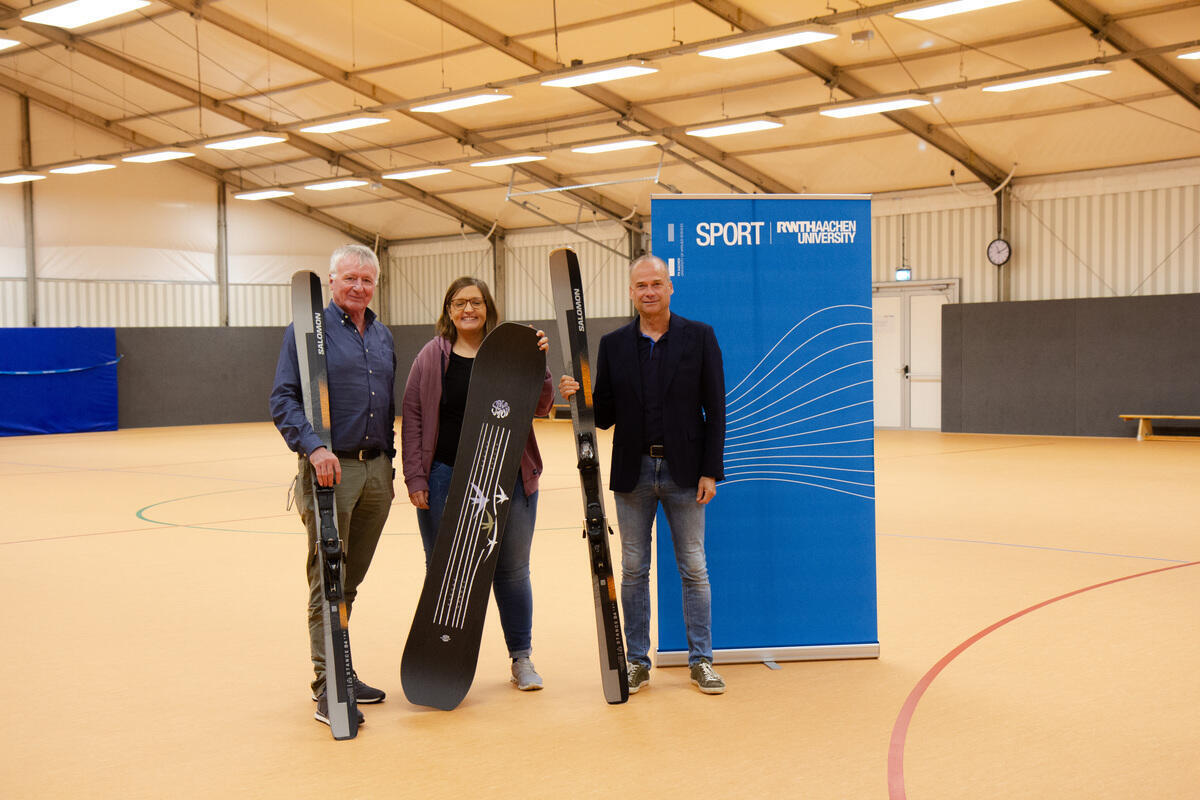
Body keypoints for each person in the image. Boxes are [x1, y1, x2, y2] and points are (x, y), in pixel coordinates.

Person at [559, 254, 727, 695]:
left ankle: (702, 661)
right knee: (633, 570)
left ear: (670, 287)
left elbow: (716, 409)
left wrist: (710, 471)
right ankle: (636, 661)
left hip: (685, 473)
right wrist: (579, 396)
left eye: (656, 283)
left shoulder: (700, 337)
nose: (649, 291)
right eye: (641, 286)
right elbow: (605, 415)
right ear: (631, 292)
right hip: (632, 473)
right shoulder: (614, 344)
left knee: (694, 568)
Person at [401, 277, 554, 691]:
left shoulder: (513, 351)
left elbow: (542, 406)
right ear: (448, 310)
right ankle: (441, 659)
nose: (468, 309)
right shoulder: (431, 357)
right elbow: (412, 417)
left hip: (508, 478)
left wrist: (539, 363)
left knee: (512, 571)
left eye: (476, 302)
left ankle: (521, 658)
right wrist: (416, 476)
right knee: (444, 571)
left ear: (488, 308)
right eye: (459, 303)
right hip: (446, 476)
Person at [269, 243, 395, 728]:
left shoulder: (381, 335)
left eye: (367, 279)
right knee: (329, 582)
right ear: (332, 280)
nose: (359, 287)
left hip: (376, 472)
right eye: (349, 278)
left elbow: (386, 402)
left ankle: (343, 668)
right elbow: (283, 398)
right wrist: (314, 447)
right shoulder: (308, 332)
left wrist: (390, 464)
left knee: (351, 582)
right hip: (330, 470)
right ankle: (328, 686)